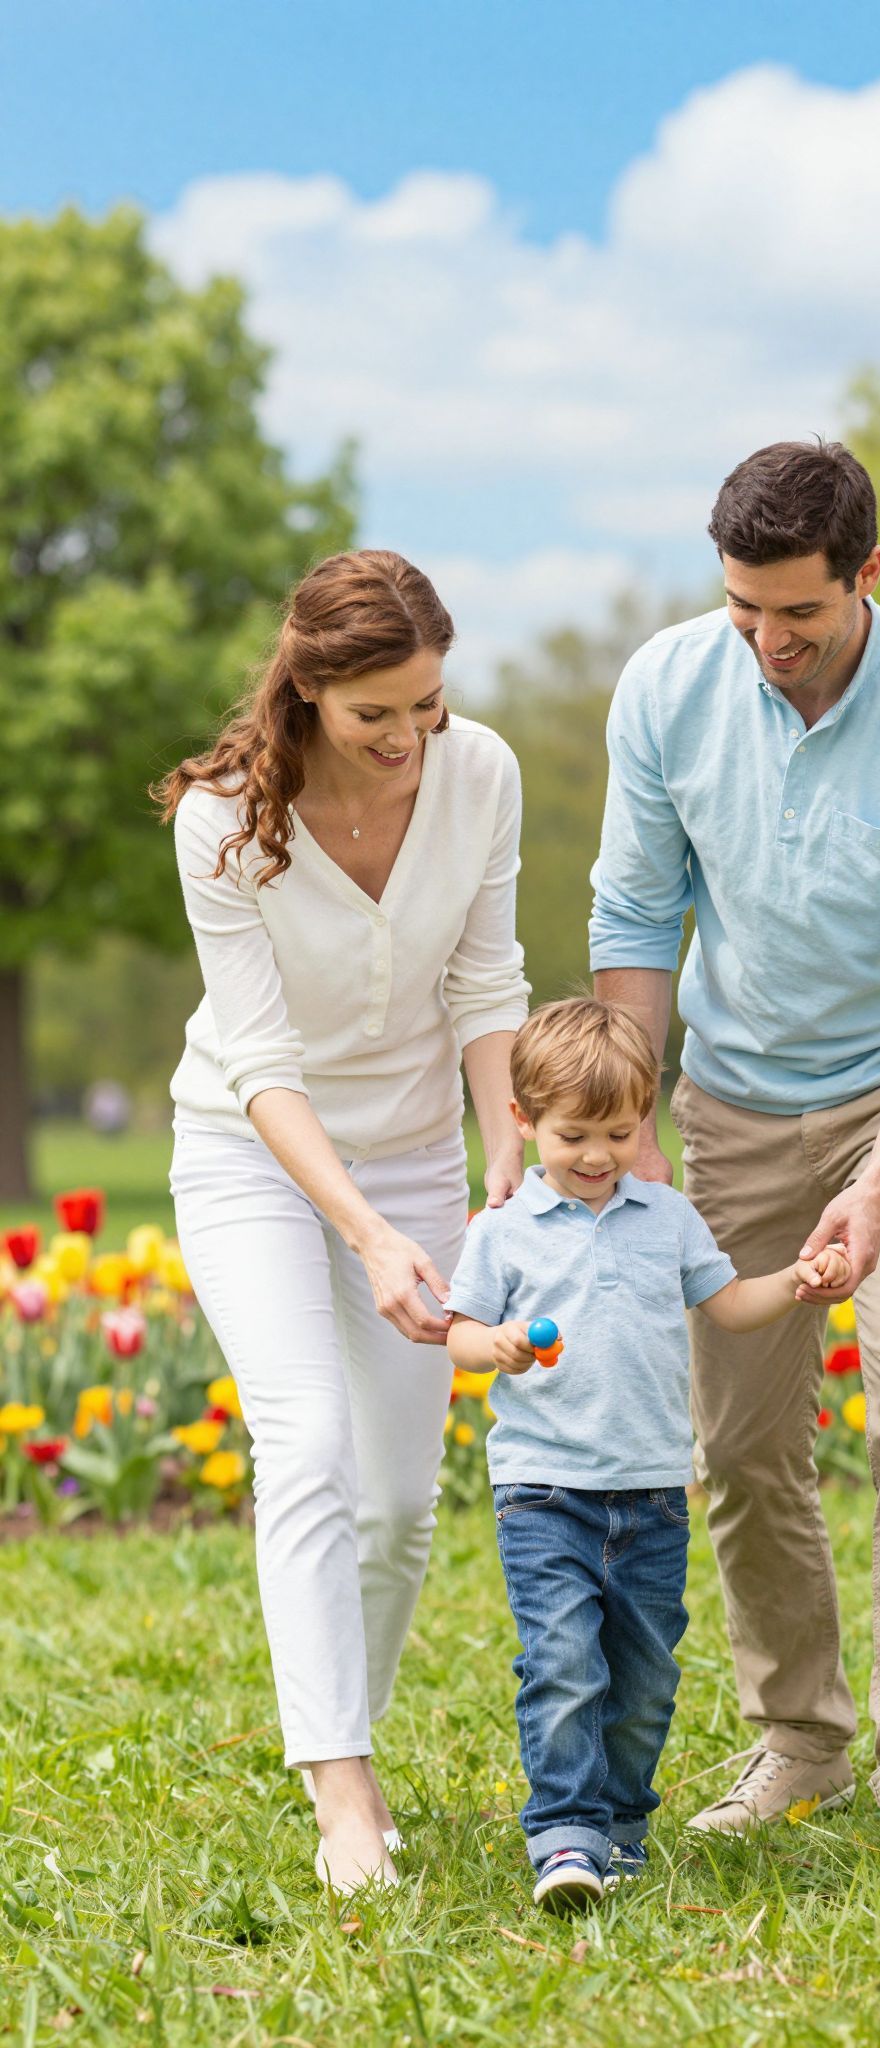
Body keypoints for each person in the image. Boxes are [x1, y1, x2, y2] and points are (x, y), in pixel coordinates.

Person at [590, 441, 880, 1874]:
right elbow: (640, 921)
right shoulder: (667, 689)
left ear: (867, 577)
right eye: (745, 614)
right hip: (726, 1105)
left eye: (802, 616)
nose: (771, 646)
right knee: (743, 1438)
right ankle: (801, 1739)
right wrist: (633, 1127)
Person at [155, 550, 529, 1895]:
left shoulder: (480, 772)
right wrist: (368, 1238)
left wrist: (505, 1154)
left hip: (423, 1147)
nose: (410, 741)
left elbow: (489, 976)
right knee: (305, 1440)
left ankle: (337, 1725)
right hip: (254, 1158)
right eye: (379, 715)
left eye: (427, 705)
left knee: (399, 1510)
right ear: (308, 689)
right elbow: (261, 1067)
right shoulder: (219, 822)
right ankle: (343, 1797)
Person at [444, 998, 849, 1912]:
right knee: (563, 1662)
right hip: (544, 1489)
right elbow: (457, 1334)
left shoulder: (666, 1217)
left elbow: (729, 1304)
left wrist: (795, 1281)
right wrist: (496, 1342)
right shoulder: (505, 1228)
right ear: (524, 1123)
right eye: (573, 1134)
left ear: (646, 1118)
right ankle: (565, 1835)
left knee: (644, 1673)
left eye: (619, 1133)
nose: (596, 1156)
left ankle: (621, 1828)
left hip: (655, 1493)